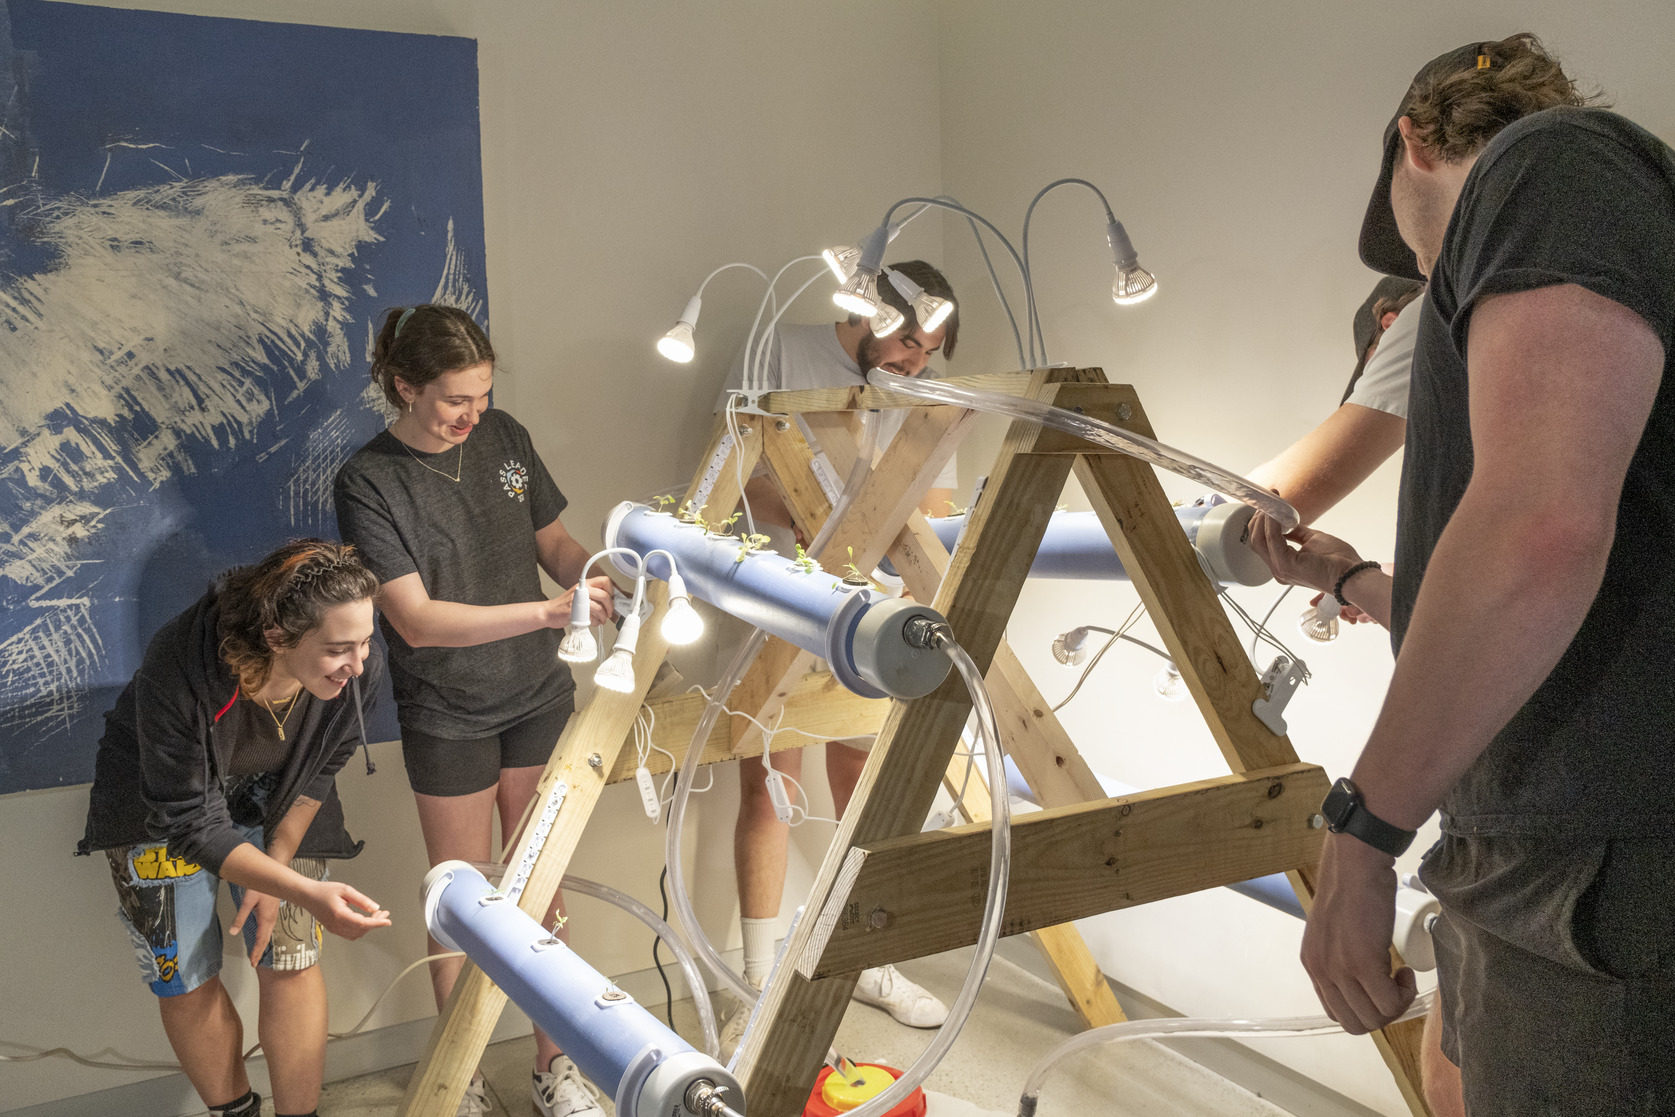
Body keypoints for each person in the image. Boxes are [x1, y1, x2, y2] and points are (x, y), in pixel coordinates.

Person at [1255, 34, 1675, 1115]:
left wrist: (1359, 837)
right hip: (1560, 854)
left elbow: (1538, 535)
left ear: (1416, 140)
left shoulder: (1549, 164)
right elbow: (1549, 593)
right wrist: (1349, 580)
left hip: (1596, 861)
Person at [333, 305, 615, 1117]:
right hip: (448, 708)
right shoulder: (370, 481)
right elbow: (414, 619)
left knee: (541, 890)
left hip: (537, 693)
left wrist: (596, 572)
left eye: (483, 395)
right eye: (456, 399)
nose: (472, 414)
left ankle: (554, 1068)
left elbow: (550, 542)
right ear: (404, 386)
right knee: (461, 901)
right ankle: (460, 1075)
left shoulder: (505, 445)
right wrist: (545, 613)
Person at [712, 261, 960, 1048]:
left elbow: (936, 505)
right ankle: (755, 982)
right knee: (771, 781)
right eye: (908, 341)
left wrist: (894, 563)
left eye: (932, 349)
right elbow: (739, 479)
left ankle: (863, 955)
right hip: (783, 596)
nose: (917, 361)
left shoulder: (924, 390)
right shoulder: (777, 351)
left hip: (878, 609)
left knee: (869, 784)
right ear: (864, 313)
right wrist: (841, 534)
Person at [77, 540, 392, 1117]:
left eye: (367, 642)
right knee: (188, 974)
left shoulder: (355, 658)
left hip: (278, 797)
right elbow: (191, 821)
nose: (360, 663)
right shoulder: (183, 660)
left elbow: (321, 768)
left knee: (291, 958)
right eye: (339, 649)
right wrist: (293, 886)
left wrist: (278, 875)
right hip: (163, 805)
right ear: (277, 636)